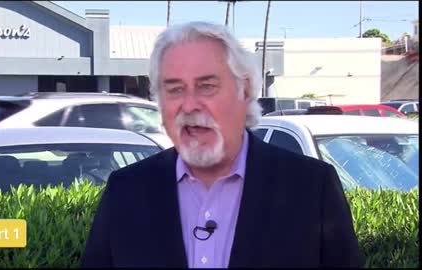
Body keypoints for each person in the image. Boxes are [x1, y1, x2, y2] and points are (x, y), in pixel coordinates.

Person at [82, 21, 362, 268]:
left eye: (207, 86)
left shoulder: (311, 188)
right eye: (175, 89)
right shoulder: (126, 191)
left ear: (247, 89)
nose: (189, 105)